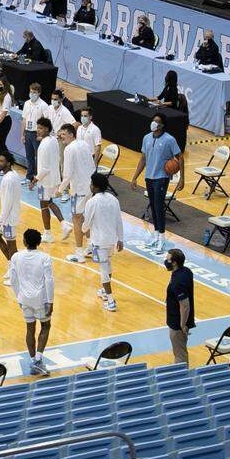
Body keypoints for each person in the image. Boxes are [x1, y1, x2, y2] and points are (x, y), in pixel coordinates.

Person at [130, 113, 185, 251]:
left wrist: (182, 178)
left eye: (157, 121)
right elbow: (143, 158)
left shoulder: (169, 140)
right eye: (153, 120)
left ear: (162, 125)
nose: (154, 123)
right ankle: (155, 234)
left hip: (162, 177)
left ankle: (162, 238)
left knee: (159, 207)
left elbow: (180, 157)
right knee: (153, 206)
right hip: (149, 176)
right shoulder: (146, 138)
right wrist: (135, 176)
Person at [9, 228, 54, 375]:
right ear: (39, 242)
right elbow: (49, 280)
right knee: (46, 326)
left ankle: (33, 359)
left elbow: (13, 280)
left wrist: (18, 297)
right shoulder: (45, 257)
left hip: (24, 299)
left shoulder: (16, 257)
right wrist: (50, 301)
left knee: (30, 329)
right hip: (40, 299)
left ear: (24, 241)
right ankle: (38, 360)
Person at [83, 173, 124, 312]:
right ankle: (105, 293)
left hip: (99, 241)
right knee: (107, 265)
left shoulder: (92, 202)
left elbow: (86, 223)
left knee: (104, 269)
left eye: (91, 183)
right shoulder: (114, 199)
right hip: (111, 240)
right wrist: (121, 239)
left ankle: (111, 301)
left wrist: (83, 229)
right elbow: (119, 220)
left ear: (94, 186)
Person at [58, 124, 95, 260]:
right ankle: (90, 247)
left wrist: (60, 190)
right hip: (90, 187)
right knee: (87, 218)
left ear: (72, 134)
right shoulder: (84, 144)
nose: (61, 136)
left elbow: (67, 174)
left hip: (79, 188)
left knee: (77, 219)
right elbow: (92, 165)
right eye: (61, 133)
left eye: (64, 133)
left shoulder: (68, 149)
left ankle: (79, 252)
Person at [32, 117, 66, 242]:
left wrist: (35, 179)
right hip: (54, 178)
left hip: (45, 180)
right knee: (49, 202)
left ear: (47, 129)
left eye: (40, 128)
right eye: (37, 127)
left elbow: (44, 168)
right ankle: (64, 224)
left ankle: (48, 233)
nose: (38, 130)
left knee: (43, 204)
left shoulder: (43, 146)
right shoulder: (52, 140)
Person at [165, 248, 195, 364]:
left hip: (177, 323)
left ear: (174, 262)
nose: (166, 262)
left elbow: (185, 305)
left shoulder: (178, 281)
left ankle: (181, 378)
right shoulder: (186, 271)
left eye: (168, 260)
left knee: (180, 355)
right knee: (180, 351)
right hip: (179, 319)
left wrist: (182, 325)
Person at [0, 151, 22, 274]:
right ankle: (12, 266)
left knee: (11, 245)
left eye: (2, 161)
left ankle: (15, 271)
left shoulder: (9, 180)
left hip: (9, 218)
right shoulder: (13, 175)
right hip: (9, 216)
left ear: (9, 163)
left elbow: (7, 204)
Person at [21, 82, 49, 186]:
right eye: (31, 92)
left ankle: (38, 178)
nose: (32, 94)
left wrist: (42, 136)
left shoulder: (44, 105)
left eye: (35, 92)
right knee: (29, 157)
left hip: (37, 134)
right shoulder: (27, 103)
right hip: (28, 132)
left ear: (39, 93)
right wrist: (22, 134)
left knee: (40, 157)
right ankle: (29, 177)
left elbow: (46, 122)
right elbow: (24, 120)